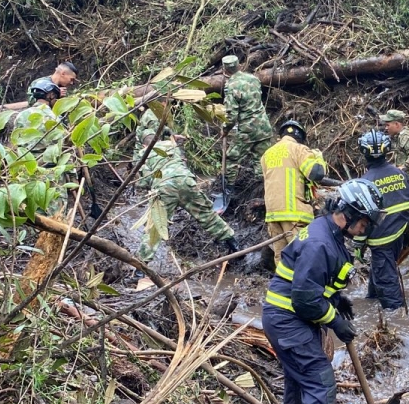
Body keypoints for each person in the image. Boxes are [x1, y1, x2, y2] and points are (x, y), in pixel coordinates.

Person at [262, 179, 383, 404]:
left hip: (287, 319)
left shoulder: (328, 232)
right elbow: (304, 299)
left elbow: (313, 283)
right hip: (289, 319)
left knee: (300, 379)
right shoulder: (320, 243)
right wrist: (335, 321)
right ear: (351, 214)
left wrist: (336, 299)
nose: (366, 229)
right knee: (319, 381)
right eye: (365, 222)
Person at [134, 127, 238, 263]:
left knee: (155, 227)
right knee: (207, 215)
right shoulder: (171, 145)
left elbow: (143, 182)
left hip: (164, 187)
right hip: (186, 182)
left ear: (144, 145)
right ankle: (234, 246)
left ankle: (141, 268)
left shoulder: (143, 153)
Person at [356, 130, 409, 311]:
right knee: (382, 270)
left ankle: (397, 317)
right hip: (400, 232)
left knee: (386, 280)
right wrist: (406, 231)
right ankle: (372, 297)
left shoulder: (364, 183)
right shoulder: (399, 174)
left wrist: (358, 246)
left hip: (381, 240)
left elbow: (361, 221)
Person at [261, 119, 328, 262]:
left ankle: (284, 284)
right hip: (294, 215)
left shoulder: (267, 154)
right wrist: (319, 158)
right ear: (301, 138)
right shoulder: (298, 149)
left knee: (282, 259)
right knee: (302, 257)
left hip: (273, 215)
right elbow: (316, 173)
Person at [221, 54, 275, 185]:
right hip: (264, 126)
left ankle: (228, 189)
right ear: (239, 65)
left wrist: (225, 130)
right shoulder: (253, 79)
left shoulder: (231, 86)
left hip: (248, 130)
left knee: (232, 158)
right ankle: (261, 189)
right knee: (262, 160)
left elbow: (231, 116)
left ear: (224, 70)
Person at [379, 109, 409, 244]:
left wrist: (402, 168)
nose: (386, 127)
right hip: (407, 183)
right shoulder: (397, 138)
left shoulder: (405, 137)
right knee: (407, 212)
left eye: (388, 124)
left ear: (397, 124)